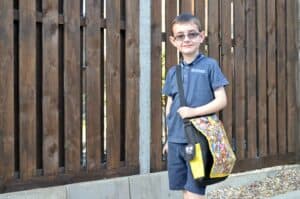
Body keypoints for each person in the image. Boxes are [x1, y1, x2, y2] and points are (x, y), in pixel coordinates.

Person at [162, 13, 229, 199]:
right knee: (185, 189)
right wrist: (168, 139)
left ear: (201, 36)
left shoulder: (210, 66)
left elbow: (221, 101)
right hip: (176, 142)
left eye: (192, 34)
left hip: (199, 141)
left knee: (195, 192)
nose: (186, 39)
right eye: (180, 36)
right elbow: (169, 107)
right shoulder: (172, 72)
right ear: (173, 41)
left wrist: (194, 112)